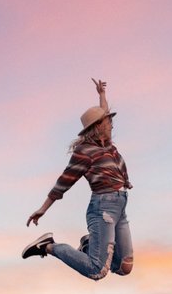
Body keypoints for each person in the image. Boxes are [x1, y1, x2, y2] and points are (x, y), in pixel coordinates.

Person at [21, 77, 134, 280]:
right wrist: (43, 209)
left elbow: (103, 112)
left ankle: (88, 245)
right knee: (96, 270)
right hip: (103, 208)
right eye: (108, 121)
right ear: (98, 126)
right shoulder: (85, 152)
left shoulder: (106, 145)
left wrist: (102, 95)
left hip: (120, 204)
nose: (111, 123)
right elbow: (62, 183)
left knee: (124, 267)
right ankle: (48, 246)